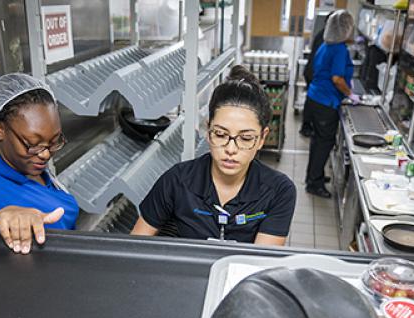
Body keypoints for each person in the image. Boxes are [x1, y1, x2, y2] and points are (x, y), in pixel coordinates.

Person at [130, 66, 296, 246]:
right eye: (220, 134)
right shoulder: (176, 181)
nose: (231, 149)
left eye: (246, 138)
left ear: (262, 138)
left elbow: (259, 263)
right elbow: (134, 247)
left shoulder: (278, 191)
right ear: (208, 131)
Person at [0, 73, 79, 254]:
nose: (45, 154)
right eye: (33, 144)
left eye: (54, 142)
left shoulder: (30, 167)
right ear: (0, 129)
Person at [303, 10, 359, 199]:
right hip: (325, 102)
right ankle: (314, 183)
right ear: (345, 29)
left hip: (315, 97)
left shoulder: (326, 45)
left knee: (317, 141)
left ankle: (313, 176)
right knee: (324, 143)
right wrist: (351, 94)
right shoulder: (339, 49)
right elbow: (336, 78)